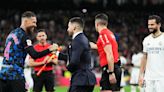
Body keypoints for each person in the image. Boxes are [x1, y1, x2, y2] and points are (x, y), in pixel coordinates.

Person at [0, 11, 57, 92]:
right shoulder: (23, 36)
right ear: (26, 21)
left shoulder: (11, 34)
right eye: (34, 22)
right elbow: (34, 55)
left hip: (3, 74)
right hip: (15, 75)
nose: (35, 25)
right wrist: (50, 49)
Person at [58, 17, 96, 92]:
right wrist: (57, 55)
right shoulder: (83, 39)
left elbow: (74, 61)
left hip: (81, 79)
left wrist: (68, 68)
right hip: (85, 79)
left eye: (69, 27)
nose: (67, 29)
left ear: (74, 27)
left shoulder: (77, 40)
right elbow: (77, 58)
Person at [90, 13, 122, 92]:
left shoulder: (103, 35)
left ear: (96, 24)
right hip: (115, 66)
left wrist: (111, 73)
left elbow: (109, 54)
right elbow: (102, 48)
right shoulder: (110, 33)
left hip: (110, 68)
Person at [138, 15, 164, 92]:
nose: (149, 27)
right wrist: (141, 75)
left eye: (152, 25)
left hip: (161, 77)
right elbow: (144, 58)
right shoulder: (146, 40)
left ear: (159, 25)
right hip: (148, 77)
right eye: (148, 25)